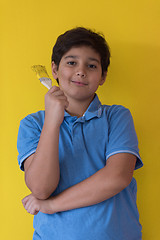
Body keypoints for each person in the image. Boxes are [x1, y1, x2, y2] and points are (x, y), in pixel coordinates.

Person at [17, 27, 143, 240]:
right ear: (54, 70)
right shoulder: (33, 124)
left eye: (91, 65)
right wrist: (52, 122)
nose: (81, 71)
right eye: (71, 62)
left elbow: (117, 177)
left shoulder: (117, 117)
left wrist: (52, 205)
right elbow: (40, 189)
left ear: (102, 76)